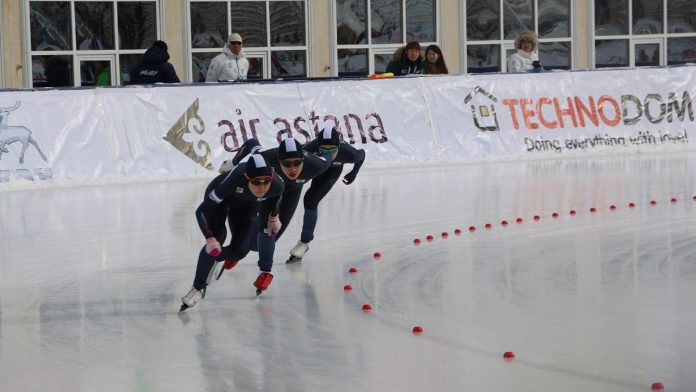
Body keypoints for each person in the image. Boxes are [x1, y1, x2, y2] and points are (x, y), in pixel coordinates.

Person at [180, 154, 284, 311]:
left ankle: (215, 260)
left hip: (247, 206)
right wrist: (209, 238)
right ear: (247, 178)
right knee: (218, 239)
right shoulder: (234, 180)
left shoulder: (277, 184)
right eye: (256, 182)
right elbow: (200, 211)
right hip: (221, 200)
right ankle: (198, 288)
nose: (262, 187)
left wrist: (274, 216)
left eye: (266, 182)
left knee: (240, 251)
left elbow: (277, 197)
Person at [227, 137, 333, 290]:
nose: (293, 169)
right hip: (271, 189)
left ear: (303, 159)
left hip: (292, 192)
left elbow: (330, 151)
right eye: (286, 163)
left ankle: (240, 247)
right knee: (266, 229)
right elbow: (253, 147)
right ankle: (264, 270)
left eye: (297, 162)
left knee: (261, 243)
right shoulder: (267, 156)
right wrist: (234, 162)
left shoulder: (318, 164)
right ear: (278, 159)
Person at [287, 125, 366, 263]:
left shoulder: (348, 153)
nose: (328, 153)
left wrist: (354, 173)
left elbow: (362, 154)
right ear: (318, 145)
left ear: (338, 147)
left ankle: (304, 243)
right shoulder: (309, 149)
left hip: (332, 170)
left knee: (310, 200)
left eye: (332, 149)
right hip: (315, 166)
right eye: (324, 149)